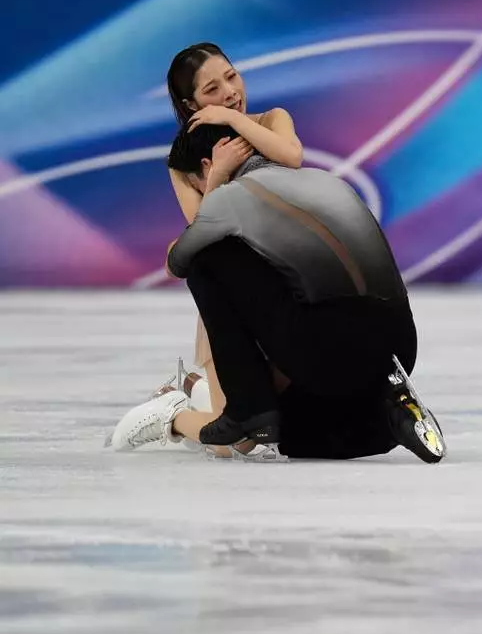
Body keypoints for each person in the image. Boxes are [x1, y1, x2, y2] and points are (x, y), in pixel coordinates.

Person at [108, 123, 445, 464]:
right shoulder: (326, 180)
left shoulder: (229, 196)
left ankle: (248, 410)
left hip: (329, 348)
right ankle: (390, 422)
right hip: (399, 345)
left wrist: (213, 184)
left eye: (195, 184)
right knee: (297, 432)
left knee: (206, 257)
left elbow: (179, 261)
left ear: (209, 165)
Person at [165, 42, 306, 417]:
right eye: (212, 90)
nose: (230, 93)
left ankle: (193, 390)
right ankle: (171, 418)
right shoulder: (183, 164)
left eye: (231, 77)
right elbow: (203, 235)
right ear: (190, 106)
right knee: (237, 440)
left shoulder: (272, 120)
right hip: (229, 298)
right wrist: (219, 175)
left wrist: (235, 121)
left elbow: (291, 157)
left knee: (289, 416)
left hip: (288, 290)